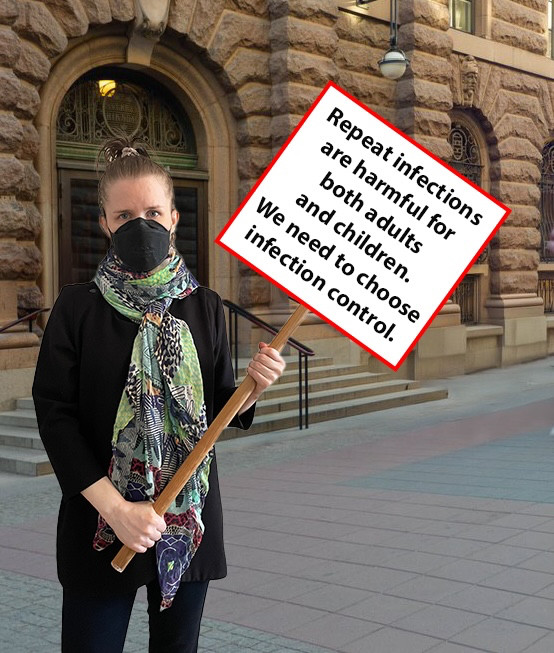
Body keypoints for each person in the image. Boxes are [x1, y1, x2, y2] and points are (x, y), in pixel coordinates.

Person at [32, 136, 286, 653]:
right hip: (102, 525)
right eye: (124, 215)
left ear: (173, 217)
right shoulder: (77, 308)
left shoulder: (206, 306)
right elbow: (55, 416)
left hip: (185, 524)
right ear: (104, 222)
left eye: (152, 211)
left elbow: (219, 407)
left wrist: (254, 387)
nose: (139, 225)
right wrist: (117, 510)